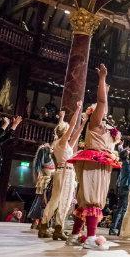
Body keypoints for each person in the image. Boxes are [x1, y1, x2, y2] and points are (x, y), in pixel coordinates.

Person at [66, 64, 122, 250]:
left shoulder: (105, 128)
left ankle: (75, 234)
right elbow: (102, 102)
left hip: (101, 162)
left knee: (86, 199)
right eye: (100, 110)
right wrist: (102, 79)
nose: (104, 112)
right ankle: (90, 237)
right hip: (95, 162)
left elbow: (104, 102)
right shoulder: (95, 123)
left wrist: (105, 87)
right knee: (92, 199)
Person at [40, 103, 86, 240]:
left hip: (65, 172)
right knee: (60, 200)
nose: (69, 132)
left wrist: (83, 124)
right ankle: (51, 227)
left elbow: (75, 135)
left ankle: (50, 227)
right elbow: (72, 127)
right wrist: (77, 109)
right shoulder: (61, 141)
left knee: (60, 200)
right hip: (65, 172)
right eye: (67, 130)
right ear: (64, 131)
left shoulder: (62, 143)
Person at [110, 136, 130, 236]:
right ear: (127, 156)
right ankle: (119, 229)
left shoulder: (124, 161)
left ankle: (114, 228)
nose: (129, 150)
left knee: (120, 209)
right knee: (123, 210)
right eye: (128, 150)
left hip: (122, 187)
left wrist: (120, 146)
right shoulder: (128, 163)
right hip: (126, 188)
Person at [27, 143, 55, 230]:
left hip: (46, 181)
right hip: (46, 181)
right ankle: (40, 221)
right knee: (42, 202)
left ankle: (36, 221)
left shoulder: (42, 161)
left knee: (40, 201)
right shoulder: (46, 157)